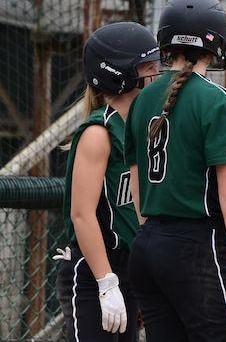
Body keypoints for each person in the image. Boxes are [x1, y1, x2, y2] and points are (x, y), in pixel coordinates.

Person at [123, 0, 226, 342]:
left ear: (166, 42)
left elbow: (137, 188)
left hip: (148, 246)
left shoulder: (141, 100)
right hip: (197, 249)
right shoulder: (220, 101)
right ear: (216, 45)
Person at [55, 21, 160, 342]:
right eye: (147, 65)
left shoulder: (147, 125)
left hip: (129, 268)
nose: (156, 71)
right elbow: (82, 214)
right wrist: (106, 282)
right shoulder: (99, 133)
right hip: (94, 270)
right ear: (120, 72)